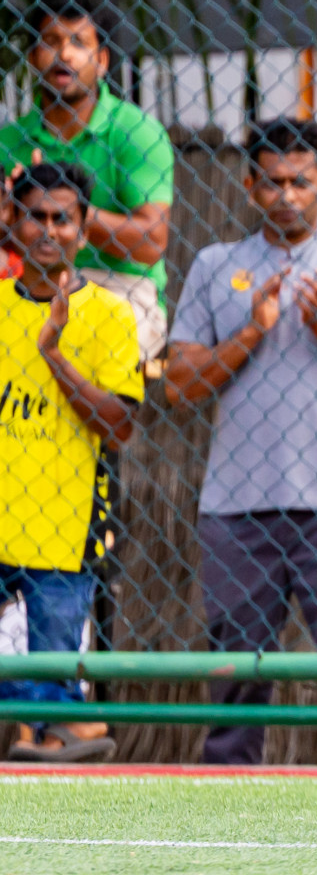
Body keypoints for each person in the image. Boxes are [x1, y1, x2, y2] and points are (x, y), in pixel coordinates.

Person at [163, 118, 317, 764]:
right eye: (271, 182)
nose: (286, 195)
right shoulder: (217, 265)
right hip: (237, 505)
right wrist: (252, 330)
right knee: (237, 672)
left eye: (300, 181)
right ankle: (228, 788)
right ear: (250, 186)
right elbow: (180, 385)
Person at [1, 163, 141, 763]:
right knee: (32, 708)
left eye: (64, 218)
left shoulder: (109, 314)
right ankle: (47, 733)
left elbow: (119, 425)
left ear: (84, 230)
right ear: (13, 222)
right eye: (36, 216)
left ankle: (62, 731)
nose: (49, 231)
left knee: (54, 683)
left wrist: (53, 353)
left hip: (66, 523)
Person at [0, 0, 176, 363]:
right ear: (32, 58)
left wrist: (60, 205)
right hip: (27, 282)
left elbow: (150, 242)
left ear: (101, 61)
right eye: (50, 41)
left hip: (119, 285)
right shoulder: (9, 140)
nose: (64, 54)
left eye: (78, 42)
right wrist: (12, 215)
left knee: (88, 346)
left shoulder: (135, 131)